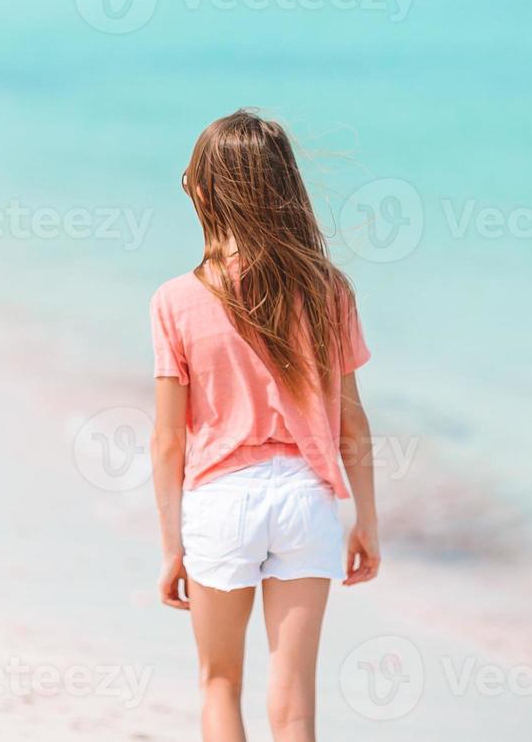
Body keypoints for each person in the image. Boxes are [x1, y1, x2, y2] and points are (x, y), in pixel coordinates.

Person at [149, 109, 380, 741]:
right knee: (295, 696)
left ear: (206, 192)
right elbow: (351, 425)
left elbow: (169, 441)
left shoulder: (176, 299)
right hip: (306, 500)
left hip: (221, 502)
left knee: (220, 682)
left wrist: (172, 544)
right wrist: (367, 522)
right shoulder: (329, 289)